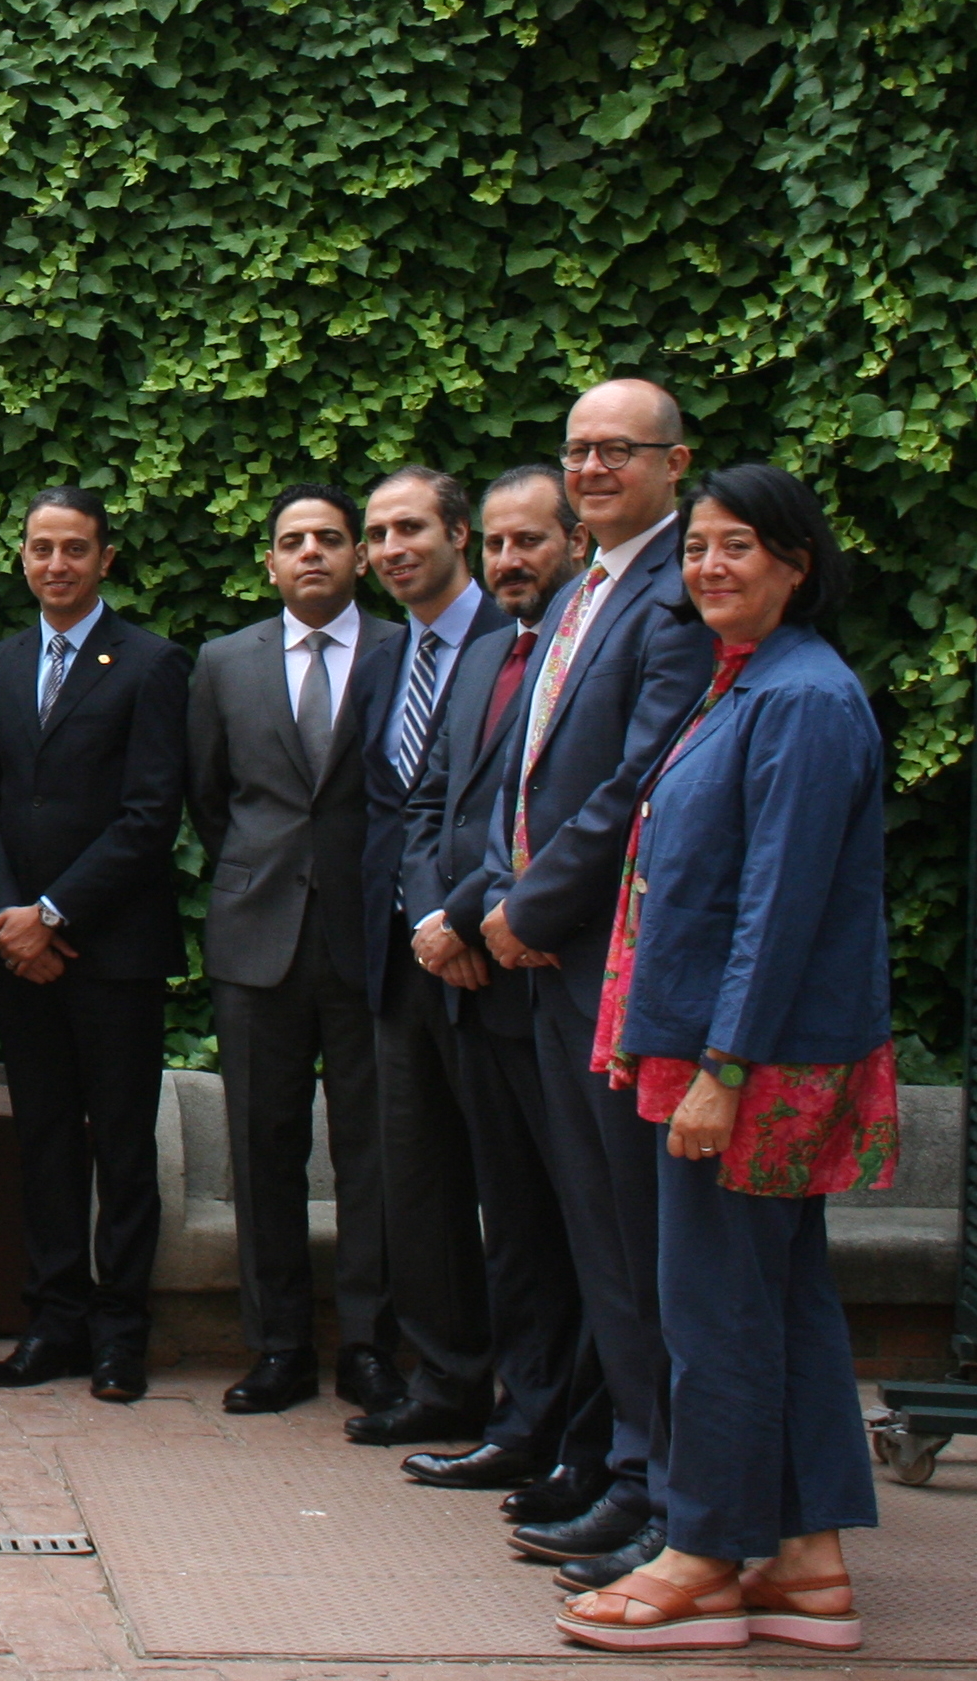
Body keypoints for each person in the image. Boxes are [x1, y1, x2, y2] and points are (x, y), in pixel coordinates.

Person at [554, 464, 892, 1654]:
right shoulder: (746, 683)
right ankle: (805, 1561)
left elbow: (779, 907)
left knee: (713, 1312)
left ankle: (701, 1558)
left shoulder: (800, 700)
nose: (707, 566)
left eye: (737, 545)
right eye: (696, 547)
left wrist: (721, 1066)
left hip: (747, 1066)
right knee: (779, 1301)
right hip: (725, 1052)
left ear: (797, 563)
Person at [472, 378, 720, 1587]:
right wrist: (501, 892)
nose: (592, 469)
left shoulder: (677, 595)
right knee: (600, 1247)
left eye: (618, 450)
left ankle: (670, 1500)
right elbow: (529, 771)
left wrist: (525, 906)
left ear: (677, 463)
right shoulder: (586, 590)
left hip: (606, 964)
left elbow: (633, 785)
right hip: (553, 964)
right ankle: (633, 1478)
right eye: (577, 450)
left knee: (636, 1247)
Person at [395, 465, 610, 1519]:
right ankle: (520, 1429)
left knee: (580, 1232)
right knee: (515, 1228)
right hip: (465, 979)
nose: (508, 560)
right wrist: (432, 918)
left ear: (570, 543)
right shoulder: (485, 653)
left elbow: (565, 813)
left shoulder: (580, 656)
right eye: (495, 543)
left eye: (529, 541)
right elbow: (430, 800)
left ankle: (584, 1450)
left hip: (535, 975)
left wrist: (474, 911)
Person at [185, 483, 405, 1417]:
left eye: (327, 537)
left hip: (369, 936)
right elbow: (210, 794)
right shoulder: (223, 662)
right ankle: (275, 1347)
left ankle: (368, 1347)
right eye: (290, 540)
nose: (309, 551)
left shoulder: (405, 651)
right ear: (268, 562)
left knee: (373, 1150)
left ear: (357, 555)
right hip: (256, 932)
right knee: (259, 1146)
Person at [0, 488, 190, 1404]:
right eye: (40, 548)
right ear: (21, 558)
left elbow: (149, 816)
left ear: (103, 557)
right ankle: (51, 1322)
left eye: (73, 548)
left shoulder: (151, 663)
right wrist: (4, 917)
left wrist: (52, 914)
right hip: (20, 952)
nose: (54, 563)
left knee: (122, 1147)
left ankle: (118, 1331)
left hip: (113, 949)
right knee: (46, 1143)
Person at [350, 466, 513, 1446]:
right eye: (379, 533)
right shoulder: (380, 659)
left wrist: (459, 916)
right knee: (418, 1184)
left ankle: (533, 1405)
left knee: (518, 1190)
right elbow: (398, 808)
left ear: (459, 533)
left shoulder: (516, 644)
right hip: (403, 957)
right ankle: (446, 1382)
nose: (391, 548)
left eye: (410, 527)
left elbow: (522, 807)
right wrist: (418, 923)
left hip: (494, 955)